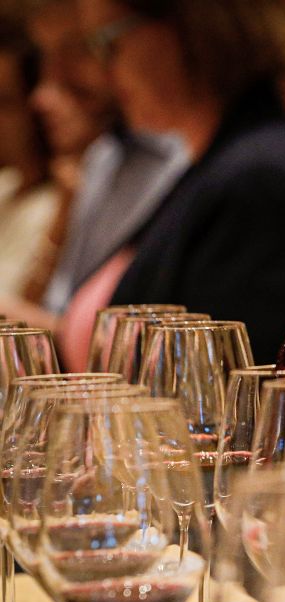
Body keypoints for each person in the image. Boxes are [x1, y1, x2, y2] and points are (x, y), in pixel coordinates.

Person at [73, 0, 285, 367]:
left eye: (110, 43)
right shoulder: (227, 163)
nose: (102, 73)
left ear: (191, 27)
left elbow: (230, 388)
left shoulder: (263, 179)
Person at [0, 0, 189, 370]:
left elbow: (172, 350)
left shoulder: (184, 159)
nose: (49, 82)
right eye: (47, 56)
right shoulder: (103, 158)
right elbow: (66, 310)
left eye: (77, 48)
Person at [0, 13, 60, 301]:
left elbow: (27, 309)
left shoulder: (61, 199)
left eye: (3, 102)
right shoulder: (5, 184)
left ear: (35, 107)